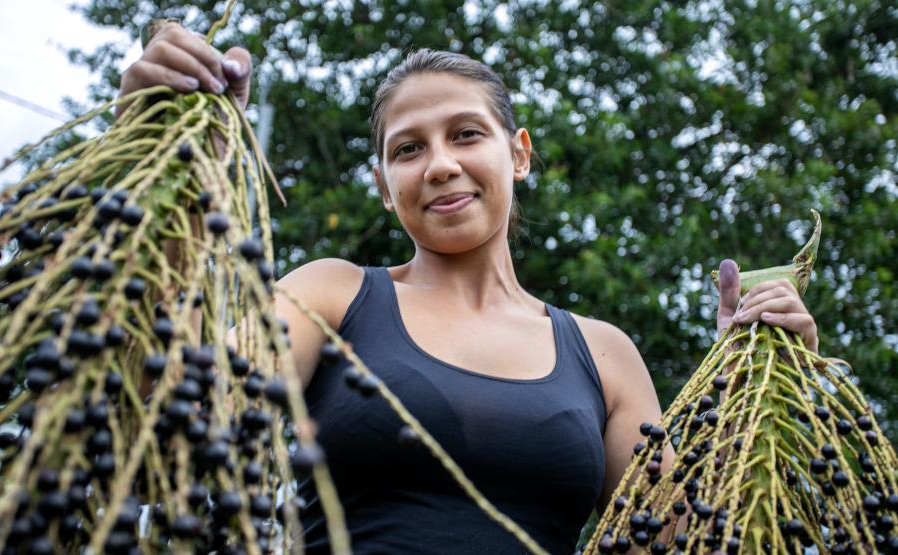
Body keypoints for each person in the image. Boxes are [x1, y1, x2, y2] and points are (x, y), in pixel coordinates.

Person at [119, 24, 820, 554]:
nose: (440, 164)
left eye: (464, 134)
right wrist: (169, 172)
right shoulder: (329, 297)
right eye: (408, 148)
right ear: (385, 189)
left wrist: (746, 387)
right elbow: (172, 408)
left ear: (517, 153)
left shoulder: (602, 353)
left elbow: (676, 535)